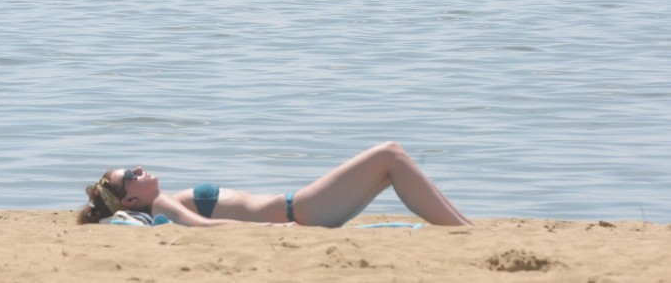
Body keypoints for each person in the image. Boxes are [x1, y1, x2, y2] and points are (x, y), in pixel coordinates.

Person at [77, 141, 472, 227]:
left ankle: (465, 228)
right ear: (130, 197)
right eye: (130, 174)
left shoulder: (163, 199)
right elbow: (206, 229)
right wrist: (275, 230)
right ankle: (465, 230)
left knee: (391, 163)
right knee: (390, 156)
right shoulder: (162, 205)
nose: (138, 168)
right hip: (298, 211)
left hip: (299, 208)